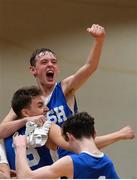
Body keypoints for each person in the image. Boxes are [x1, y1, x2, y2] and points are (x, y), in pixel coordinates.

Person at [0, 24, 135, 161]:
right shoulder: (28, 101)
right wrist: (26, 120)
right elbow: (1, 130)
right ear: (33, 70)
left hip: (72, 158)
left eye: (54, 62)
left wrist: (99, 41)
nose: (50, 64)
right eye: (44, 62)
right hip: (45, 164)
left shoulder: (64, 88)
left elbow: (90, 67)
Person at [14, 112, 120, 179]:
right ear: (94, 133)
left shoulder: (72, 162)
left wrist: (20, 146)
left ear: (69, 137)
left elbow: (25, 177)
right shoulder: (107, 163)